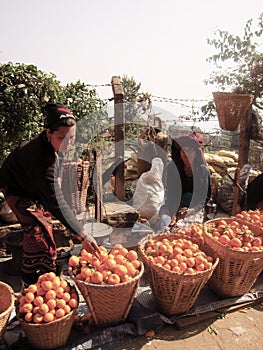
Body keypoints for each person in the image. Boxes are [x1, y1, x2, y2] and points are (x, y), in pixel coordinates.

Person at [0, 103, 99, 286]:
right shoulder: (40, 157)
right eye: (62, 138)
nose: (68, 143)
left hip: (32, 189)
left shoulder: (51, 147)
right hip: (15, 190)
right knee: (38, 232)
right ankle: (31, 282)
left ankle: (45, 274)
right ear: (48, 133)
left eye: (72, 138)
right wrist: (82, 235)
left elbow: (53, 189)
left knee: (45, 227)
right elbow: (55, 202)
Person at [158, 132, 211, 229]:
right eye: (184, 150)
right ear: (180, 153)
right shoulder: (173, 169)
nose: (186, 154)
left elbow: (204, 197)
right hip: (176, 204)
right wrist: (173, 213)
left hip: (195, 206)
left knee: (189, 229)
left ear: (196, 153)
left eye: (190, 150)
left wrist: (191, 210)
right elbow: (171, 194)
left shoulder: (203, 171)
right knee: (165, 223)